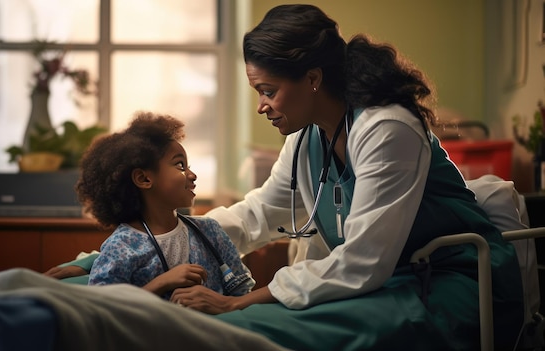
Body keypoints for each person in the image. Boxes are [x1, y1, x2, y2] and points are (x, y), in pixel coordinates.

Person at [45, 5, 524, 350]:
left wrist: (240, 302)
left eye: (269, 90)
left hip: (449, 285)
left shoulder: (386, 128)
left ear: (312, 79)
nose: (261, 105)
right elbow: (255, 216)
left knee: (251, 328)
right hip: (384, 282)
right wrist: (100, 260)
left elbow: (362, 263)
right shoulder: (306, 138)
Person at [74, 111, 254, 300]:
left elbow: (242, 294)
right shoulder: (121, 248)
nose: (192, 175)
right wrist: (161, 283)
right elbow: (102, 309)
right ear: (143, 178)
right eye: (180, 165)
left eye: (188, 166)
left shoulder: (210, 231)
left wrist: (222, 302)